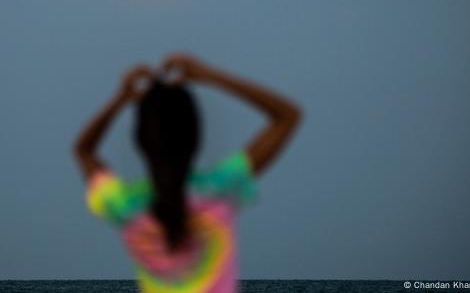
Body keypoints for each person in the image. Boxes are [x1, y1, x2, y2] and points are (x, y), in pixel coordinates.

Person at [73, 53, 302, 293]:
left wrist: (121, 98)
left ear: (140, 142)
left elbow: (84, 150)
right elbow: (287, 116)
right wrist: (209, 75)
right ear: (195, 138)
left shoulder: (125, 204)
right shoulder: (220, 188)